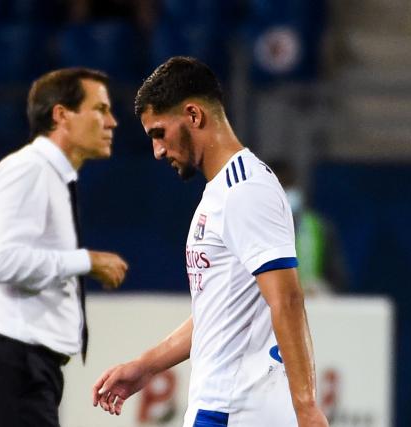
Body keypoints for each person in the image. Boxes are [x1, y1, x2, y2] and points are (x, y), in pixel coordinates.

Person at [92, 57, 329, 427]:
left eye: (159, 133)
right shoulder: (223, 190)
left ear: (193, 115)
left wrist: (307, 408)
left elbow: (287, 298)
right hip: (227, 406)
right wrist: (145, 367)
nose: (157, 151)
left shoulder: (244, 189)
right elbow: (219, 311)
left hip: (233, 410)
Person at [0, 67, 129, 427]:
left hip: (27, 366)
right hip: (13, 361)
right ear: (61, 115)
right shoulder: (29, 170)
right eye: (99, 109)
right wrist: (85, 261)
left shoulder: (49, 175)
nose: (112, 122)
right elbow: (0, 262)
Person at [268, 159, 348, 296]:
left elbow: (339, 279)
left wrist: (324, 288)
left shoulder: (319, 229)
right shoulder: (246, 230)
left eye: (287, 185)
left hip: (311, 308)